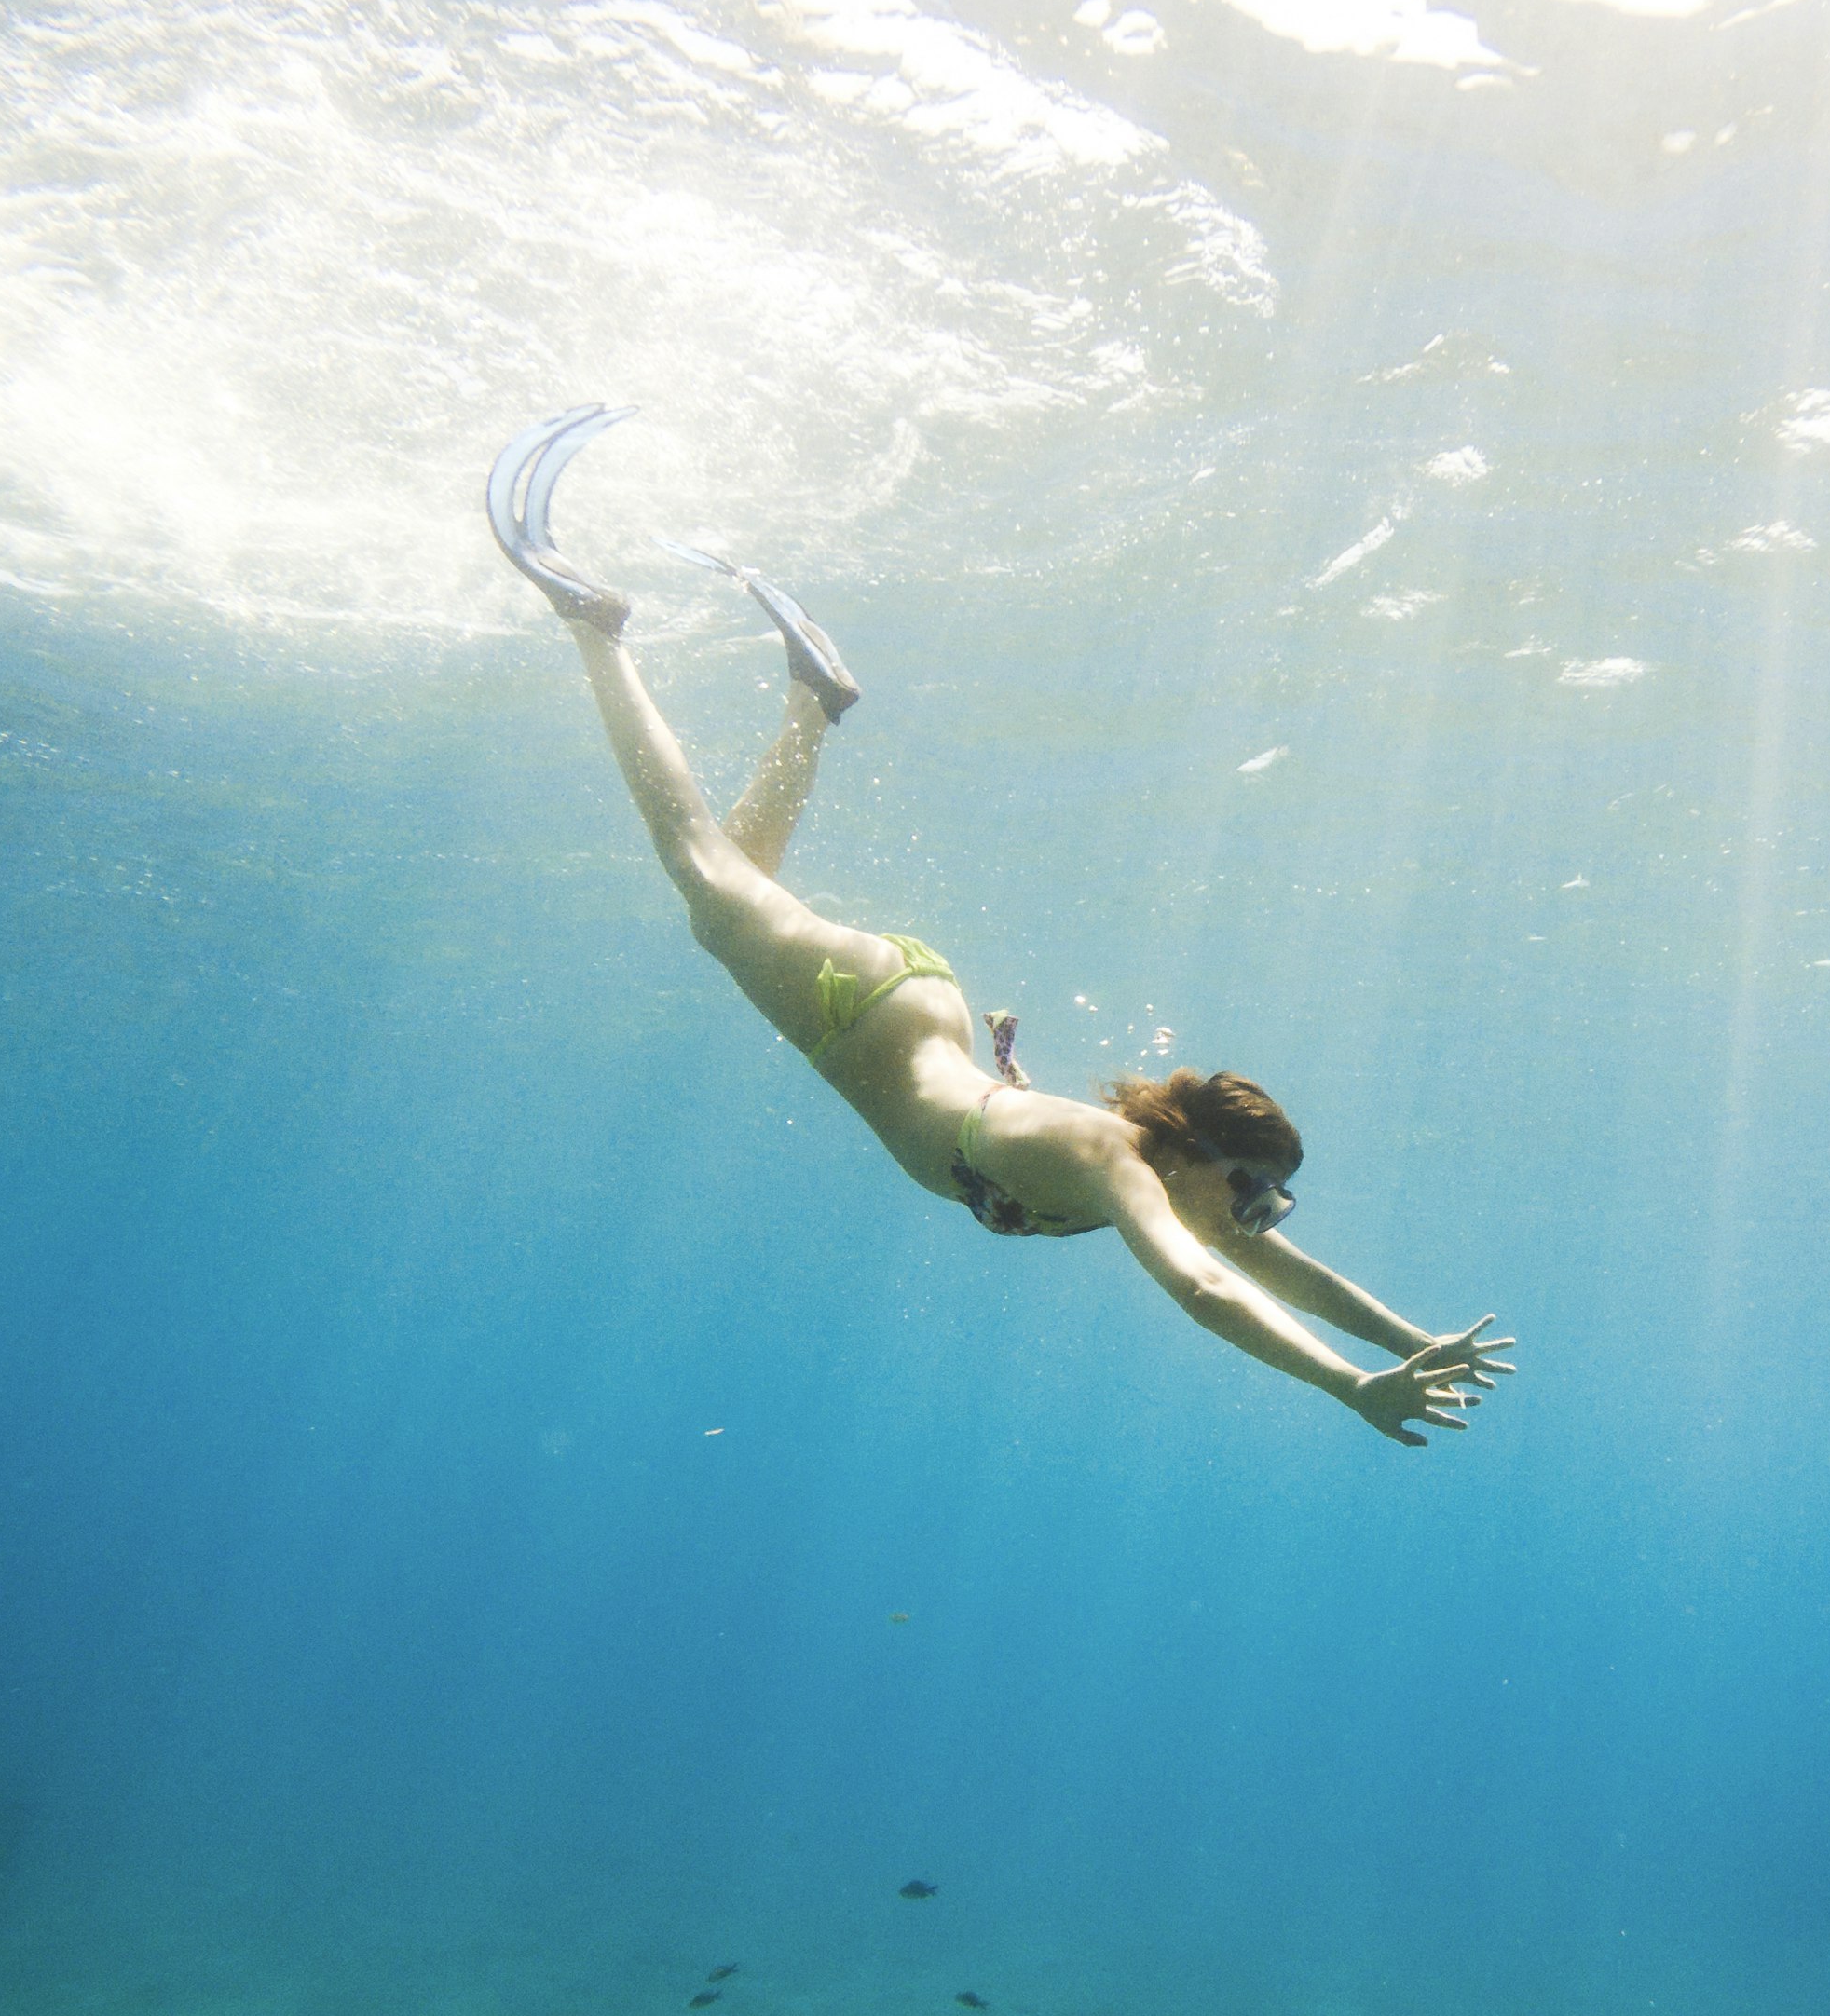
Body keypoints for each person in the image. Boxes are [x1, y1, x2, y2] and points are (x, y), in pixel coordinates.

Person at [485, 406, 1513, 1447]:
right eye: (1250, 1190)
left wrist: (1409, 1342)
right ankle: (593, 622)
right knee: (705, 873)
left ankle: (810, 702)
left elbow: (1254, 1259)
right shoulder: (1111, 1161)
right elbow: (1205, 1289)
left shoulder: (1157, 1181)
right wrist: (1348, 1388)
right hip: (862, 1014)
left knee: (735, 893)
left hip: (905, 1002)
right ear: (1191, 1152)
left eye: (1268, 1203)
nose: (1254, 1217)